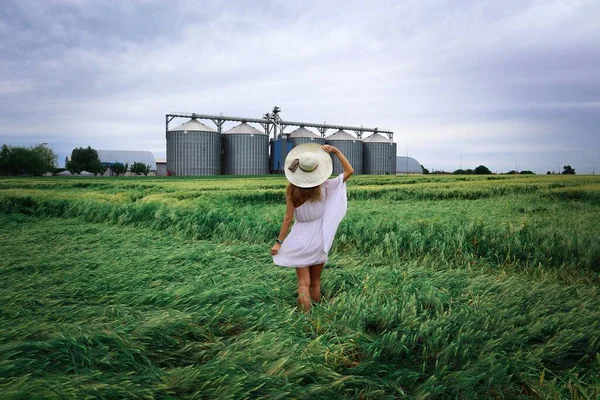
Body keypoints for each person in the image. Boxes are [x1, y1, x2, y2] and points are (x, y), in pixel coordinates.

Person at [271, 143, 354, 311]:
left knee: (303, 283)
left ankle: (305, 318)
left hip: (299, 237)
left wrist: (279, 242)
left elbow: (288, 219)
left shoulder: (291, 191)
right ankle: (317, 317)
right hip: (319, 238)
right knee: (315, 282)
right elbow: (349, 171)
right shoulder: (325, 187)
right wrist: (336, 152)